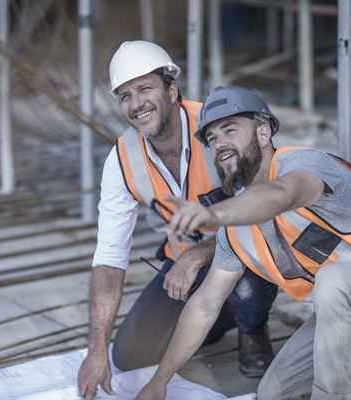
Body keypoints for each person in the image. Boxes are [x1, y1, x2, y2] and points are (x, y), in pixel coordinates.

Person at [134, 86, 351, 400]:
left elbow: (281, 195)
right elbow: (204, 306)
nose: (220, 144)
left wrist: (212, 214)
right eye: (212, 138)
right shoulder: (237, 226)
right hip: (350, 320)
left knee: (333, 279)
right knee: (273, 394)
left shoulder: (308, 166)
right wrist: (159, 382)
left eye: (230, 130)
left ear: (264, 132)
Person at [77, 44, 278, 400]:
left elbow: (266, 209)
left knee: (247, 286)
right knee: (128, 356)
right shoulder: (122, 159)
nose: (135, 103)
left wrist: (197, 255)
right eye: (125, 95)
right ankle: (212, 317)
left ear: (172, 89)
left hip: (246, 254)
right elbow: (109, 257)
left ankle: (252, 326)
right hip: (181, 261)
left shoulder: (220, 129)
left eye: (145, 89)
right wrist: (96, 349)